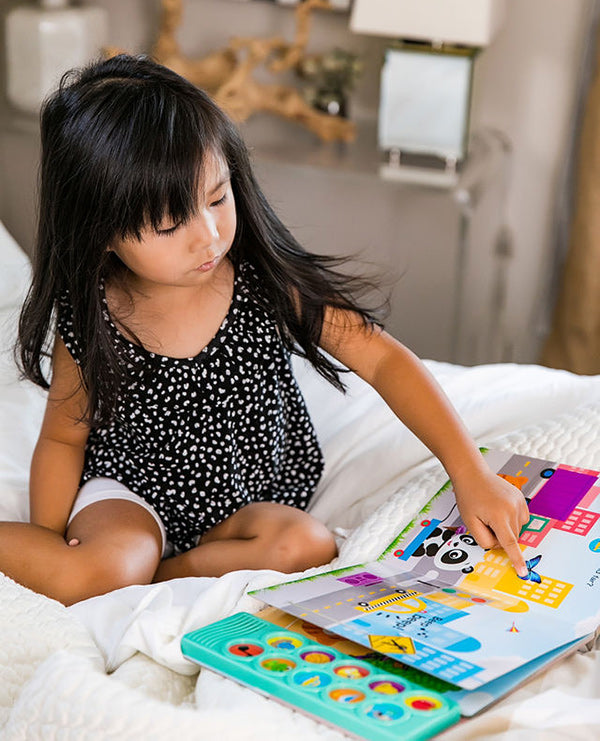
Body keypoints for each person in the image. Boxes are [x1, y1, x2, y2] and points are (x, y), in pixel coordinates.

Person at [4, 55, 529, 607]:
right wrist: (51, 541)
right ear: (103, 233)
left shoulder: (263, 276)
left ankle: (162, 574)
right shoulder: (94, 312)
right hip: (134, 495)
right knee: (106, 568)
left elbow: (382, 359)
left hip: (251, 497)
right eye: (169, 224)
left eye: (217, 198)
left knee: (305, 545)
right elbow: (64, 438)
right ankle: (134, 570)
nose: (208, 236)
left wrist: (468, 472)